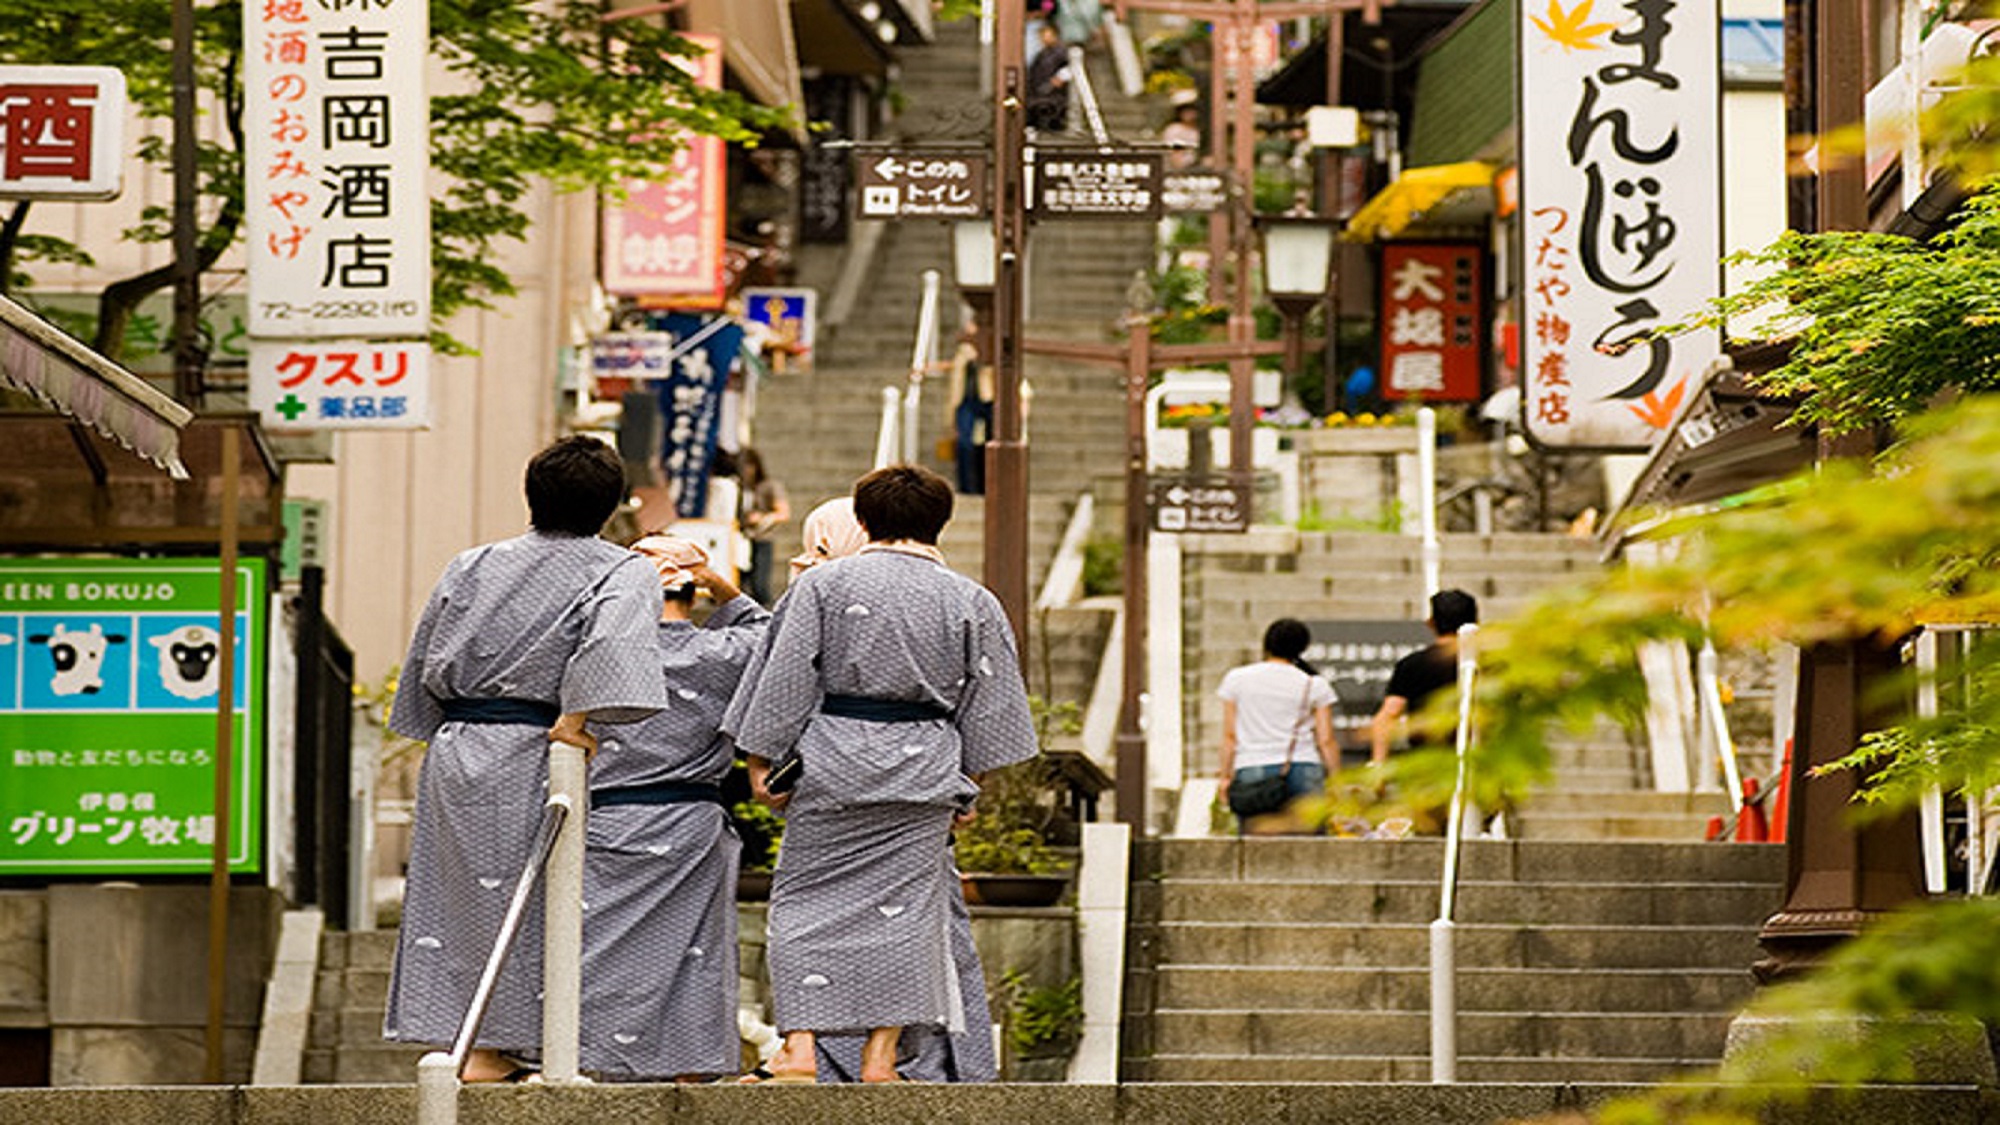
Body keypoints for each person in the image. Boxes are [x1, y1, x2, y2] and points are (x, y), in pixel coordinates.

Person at [731, 464, 1039, 1084]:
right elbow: (991, 706)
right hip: (924, 769)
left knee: (802, 905)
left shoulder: (823, 586)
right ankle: (880, 1057)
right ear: (940, 523)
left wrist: (762, 763)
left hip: (835, 763)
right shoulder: (972, 600)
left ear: (864, 520)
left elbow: (787, 680)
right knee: (909, 917)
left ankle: (800, 1047)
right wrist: (966, 782)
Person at [383, 435, 669, 1083]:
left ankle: (476, 1039)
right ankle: (496, 1047)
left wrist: (450, 730)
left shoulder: (472, 562)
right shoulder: (622, 568)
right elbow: (612, 646)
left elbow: (426, 664)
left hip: (459, 745)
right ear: (613, 505)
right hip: (539, 747)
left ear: (530, 495)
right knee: (540, 891)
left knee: (461, 894)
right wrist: (576, 719)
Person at [579, 536, 770, 1082]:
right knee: (694, 955)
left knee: (598, 949)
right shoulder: (725, 651)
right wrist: (722, 584)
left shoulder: (600, 649)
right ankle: (690, 1068)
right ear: (695, 590)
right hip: (690, 823)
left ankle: (590, 1063)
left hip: (608, 820)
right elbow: (770, 634)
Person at [1216, 618, 1339, 832]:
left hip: (1252, 766)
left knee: (1255, 844)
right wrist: (1337, 779)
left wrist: (1225, 776)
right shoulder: (1313, 684)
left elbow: (1229, 736)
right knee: (1311, 846)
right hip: (1303, 766)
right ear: (1302, 648)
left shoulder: (1236, 679)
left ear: (1267, 644)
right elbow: (1326, 739)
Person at [1370, 589, 1480, 764]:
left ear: (1431, 623)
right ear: (1476, 622)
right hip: (1481, 762)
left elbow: (1389, 714)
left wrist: (1378, 765)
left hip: (1426, 764)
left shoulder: (1411, 665)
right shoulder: (1490, 664)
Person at [942, 325, 993, 496]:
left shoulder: (991, 345)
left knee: (988, 444)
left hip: (987, 400)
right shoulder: (963, 352)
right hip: (965, 401)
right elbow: (954, 370)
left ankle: (986, 484)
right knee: (964, 443)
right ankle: (967, 486)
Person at [738, 447, 791, 605]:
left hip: (761, 537)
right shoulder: (737, 488)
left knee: (759, 585)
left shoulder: (769, 486)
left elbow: (783, 513)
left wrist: (762, 519)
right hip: (739, 538)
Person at [1026, 22, 1071, 135]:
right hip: (1039, 90)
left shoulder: (1061, 52)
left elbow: (1068, 68)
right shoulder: (1041, 54)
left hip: (1053, 94)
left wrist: (1056, 80)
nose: (1043, 38)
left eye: (1047, 35)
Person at [1160, 89, 1202, 169]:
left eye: (1192, 110)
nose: (1190, 114)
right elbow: (1175, 158)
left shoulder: (1195, 130)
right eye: (1186, 110)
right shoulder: (1174, 130)